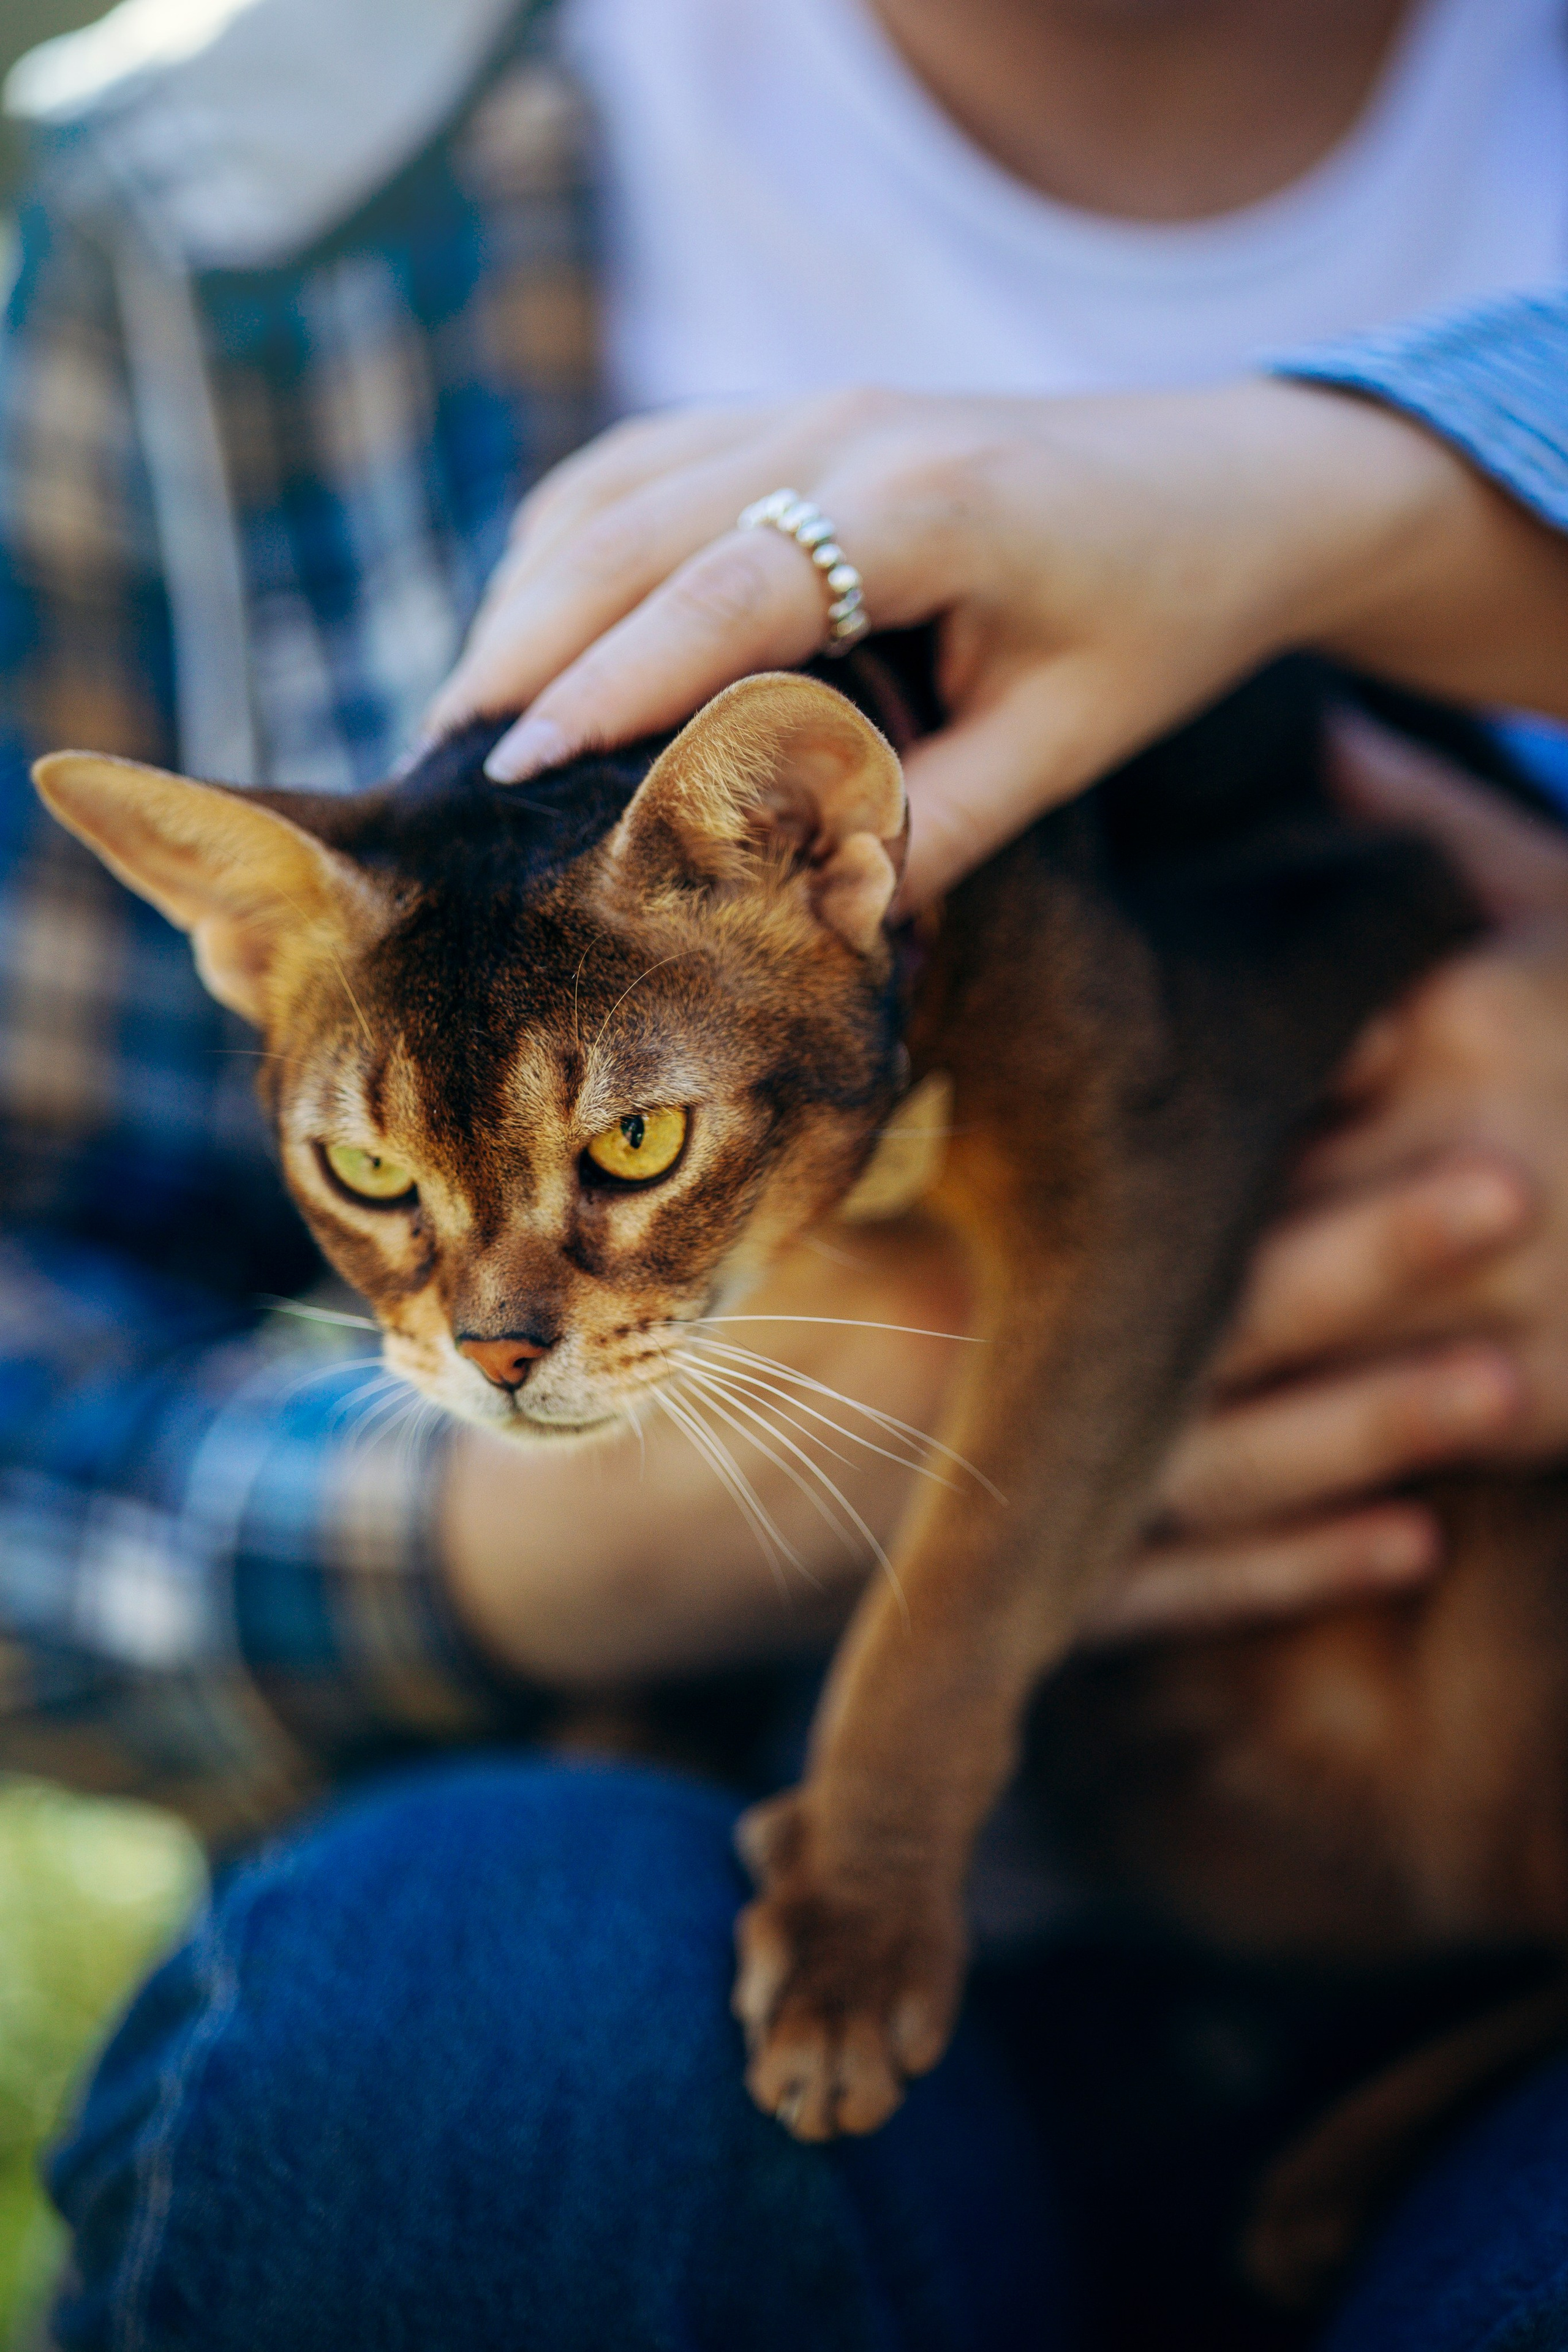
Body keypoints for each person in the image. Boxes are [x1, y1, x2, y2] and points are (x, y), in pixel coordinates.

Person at [3, 0, 1568, 2340]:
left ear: (839, 855)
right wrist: (564, 1539)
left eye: (627, 1148)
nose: (494, 1323)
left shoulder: (992, 929)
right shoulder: (211, 198)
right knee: (471, 2029)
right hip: (657, 1848)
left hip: (1440, 1775)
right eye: (390, 1201)